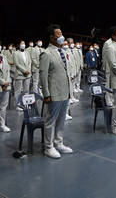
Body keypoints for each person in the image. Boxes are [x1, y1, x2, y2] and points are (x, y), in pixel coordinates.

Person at [39, 24, 73, 158]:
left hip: (65, 91)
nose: (61, 36)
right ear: (51, 37)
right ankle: (49, 146)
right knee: (50, 120)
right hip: (53, 93)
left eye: (61, 33)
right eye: (59, 34)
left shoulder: (63, 51)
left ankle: (58, 142)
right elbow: (43, 75)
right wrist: (46, 94)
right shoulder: (46, 53)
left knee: (61, 120)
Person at [13, 40, 32, 110]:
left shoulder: (27, 52)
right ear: (18, 45)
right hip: (20, 74)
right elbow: (17, 64)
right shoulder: (15, 53)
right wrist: (24, 70)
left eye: (24, 43)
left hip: (27, 74)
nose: (23, 44)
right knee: (18, 90)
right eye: (21, 43)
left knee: (26, 90)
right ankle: (18, 105)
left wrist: (28, 70)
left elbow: (29, 62)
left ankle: (26, 103)